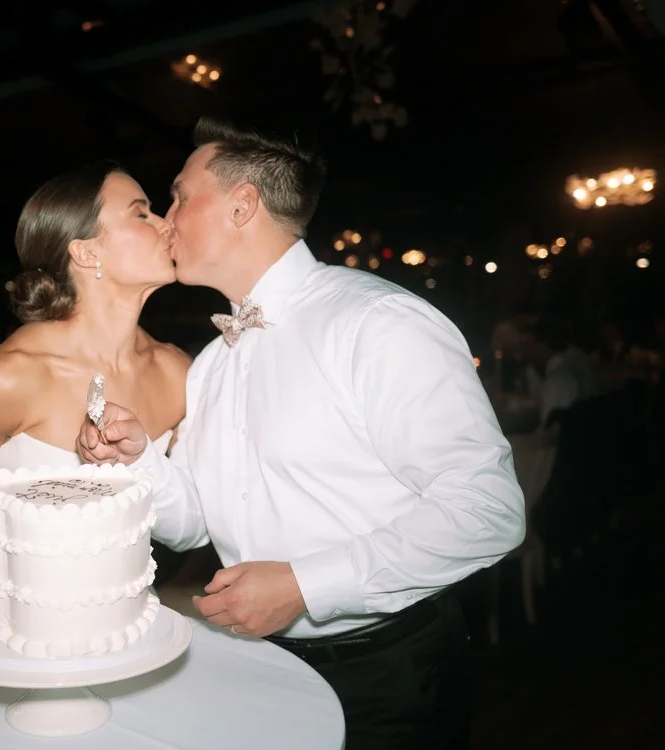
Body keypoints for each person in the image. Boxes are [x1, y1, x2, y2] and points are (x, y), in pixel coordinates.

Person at [78, 117, 526, 750]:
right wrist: (139, 460)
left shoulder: (377, 324)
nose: (168, 220)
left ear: (242, 206)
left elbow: (489, 510)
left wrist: (305, 586)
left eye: (180, 197)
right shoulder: (212, 364)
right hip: (262, 666)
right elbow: (196, 524)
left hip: (388, 676)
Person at [0, 160, 190, 610]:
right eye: (141, 213)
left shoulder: (178, 371)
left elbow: (197, 516)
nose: (167, 223)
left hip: (126, 620)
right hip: (8, 621)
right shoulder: (10, 378)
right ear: (86, 253)